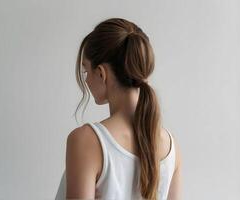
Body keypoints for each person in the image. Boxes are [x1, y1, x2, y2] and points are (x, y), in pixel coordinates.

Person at [64, 17, 182, 200]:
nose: (86, 81)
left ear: (101, 73)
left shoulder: (86, 141)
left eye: (86, 70)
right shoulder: (170, 146)